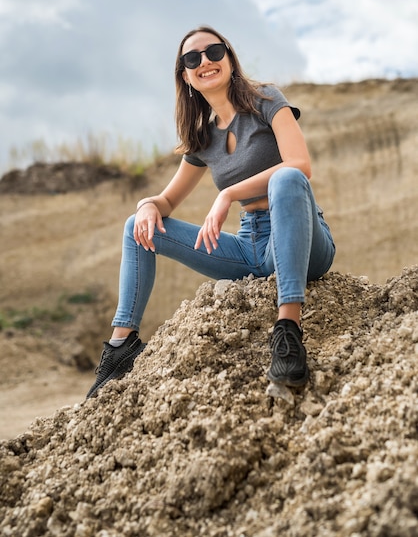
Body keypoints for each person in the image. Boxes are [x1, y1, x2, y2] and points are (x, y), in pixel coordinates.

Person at [86, 25, 336, 399]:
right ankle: (121, 348)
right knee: (136, 227)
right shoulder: (202, 137)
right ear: (186, 77)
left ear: (230, 59)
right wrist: (146, 206)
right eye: (192, 58)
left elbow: (300, 164)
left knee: (284, 180)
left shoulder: (266, 99)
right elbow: (166, 201)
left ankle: (287, 334)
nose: (205, 61)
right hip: (250, 248)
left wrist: (227, 195)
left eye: (214, 52)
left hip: (302, 237)